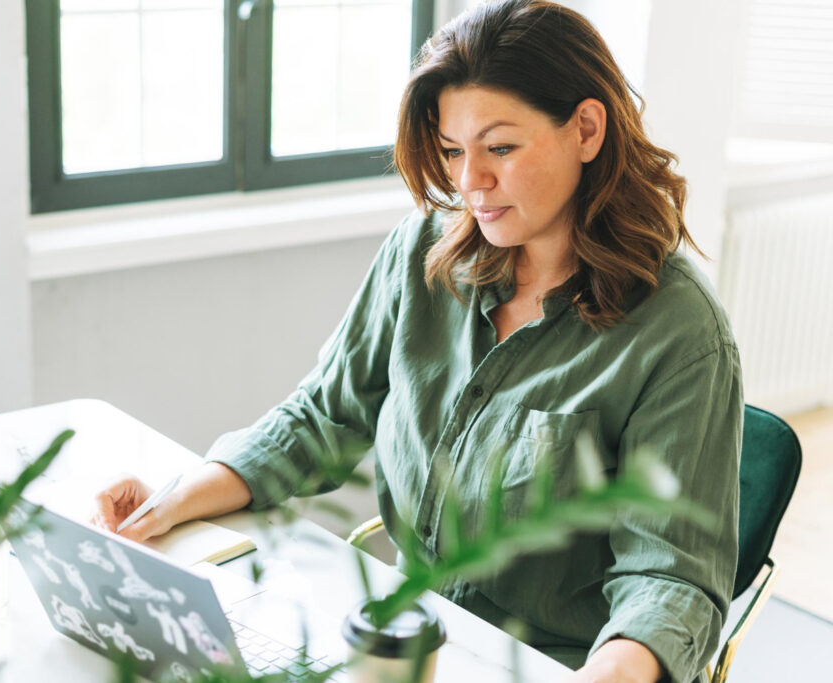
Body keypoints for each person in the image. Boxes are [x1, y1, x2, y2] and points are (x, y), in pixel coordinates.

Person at [92, 2, 741, 681]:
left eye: (500, 148)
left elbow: (668, 580)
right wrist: (173, 498)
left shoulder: (679, 330)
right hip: (400, 637)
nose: (469, 182)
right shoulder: (424, 253)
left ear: (586, 128)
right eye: (455, 151)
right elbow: (326, 414)